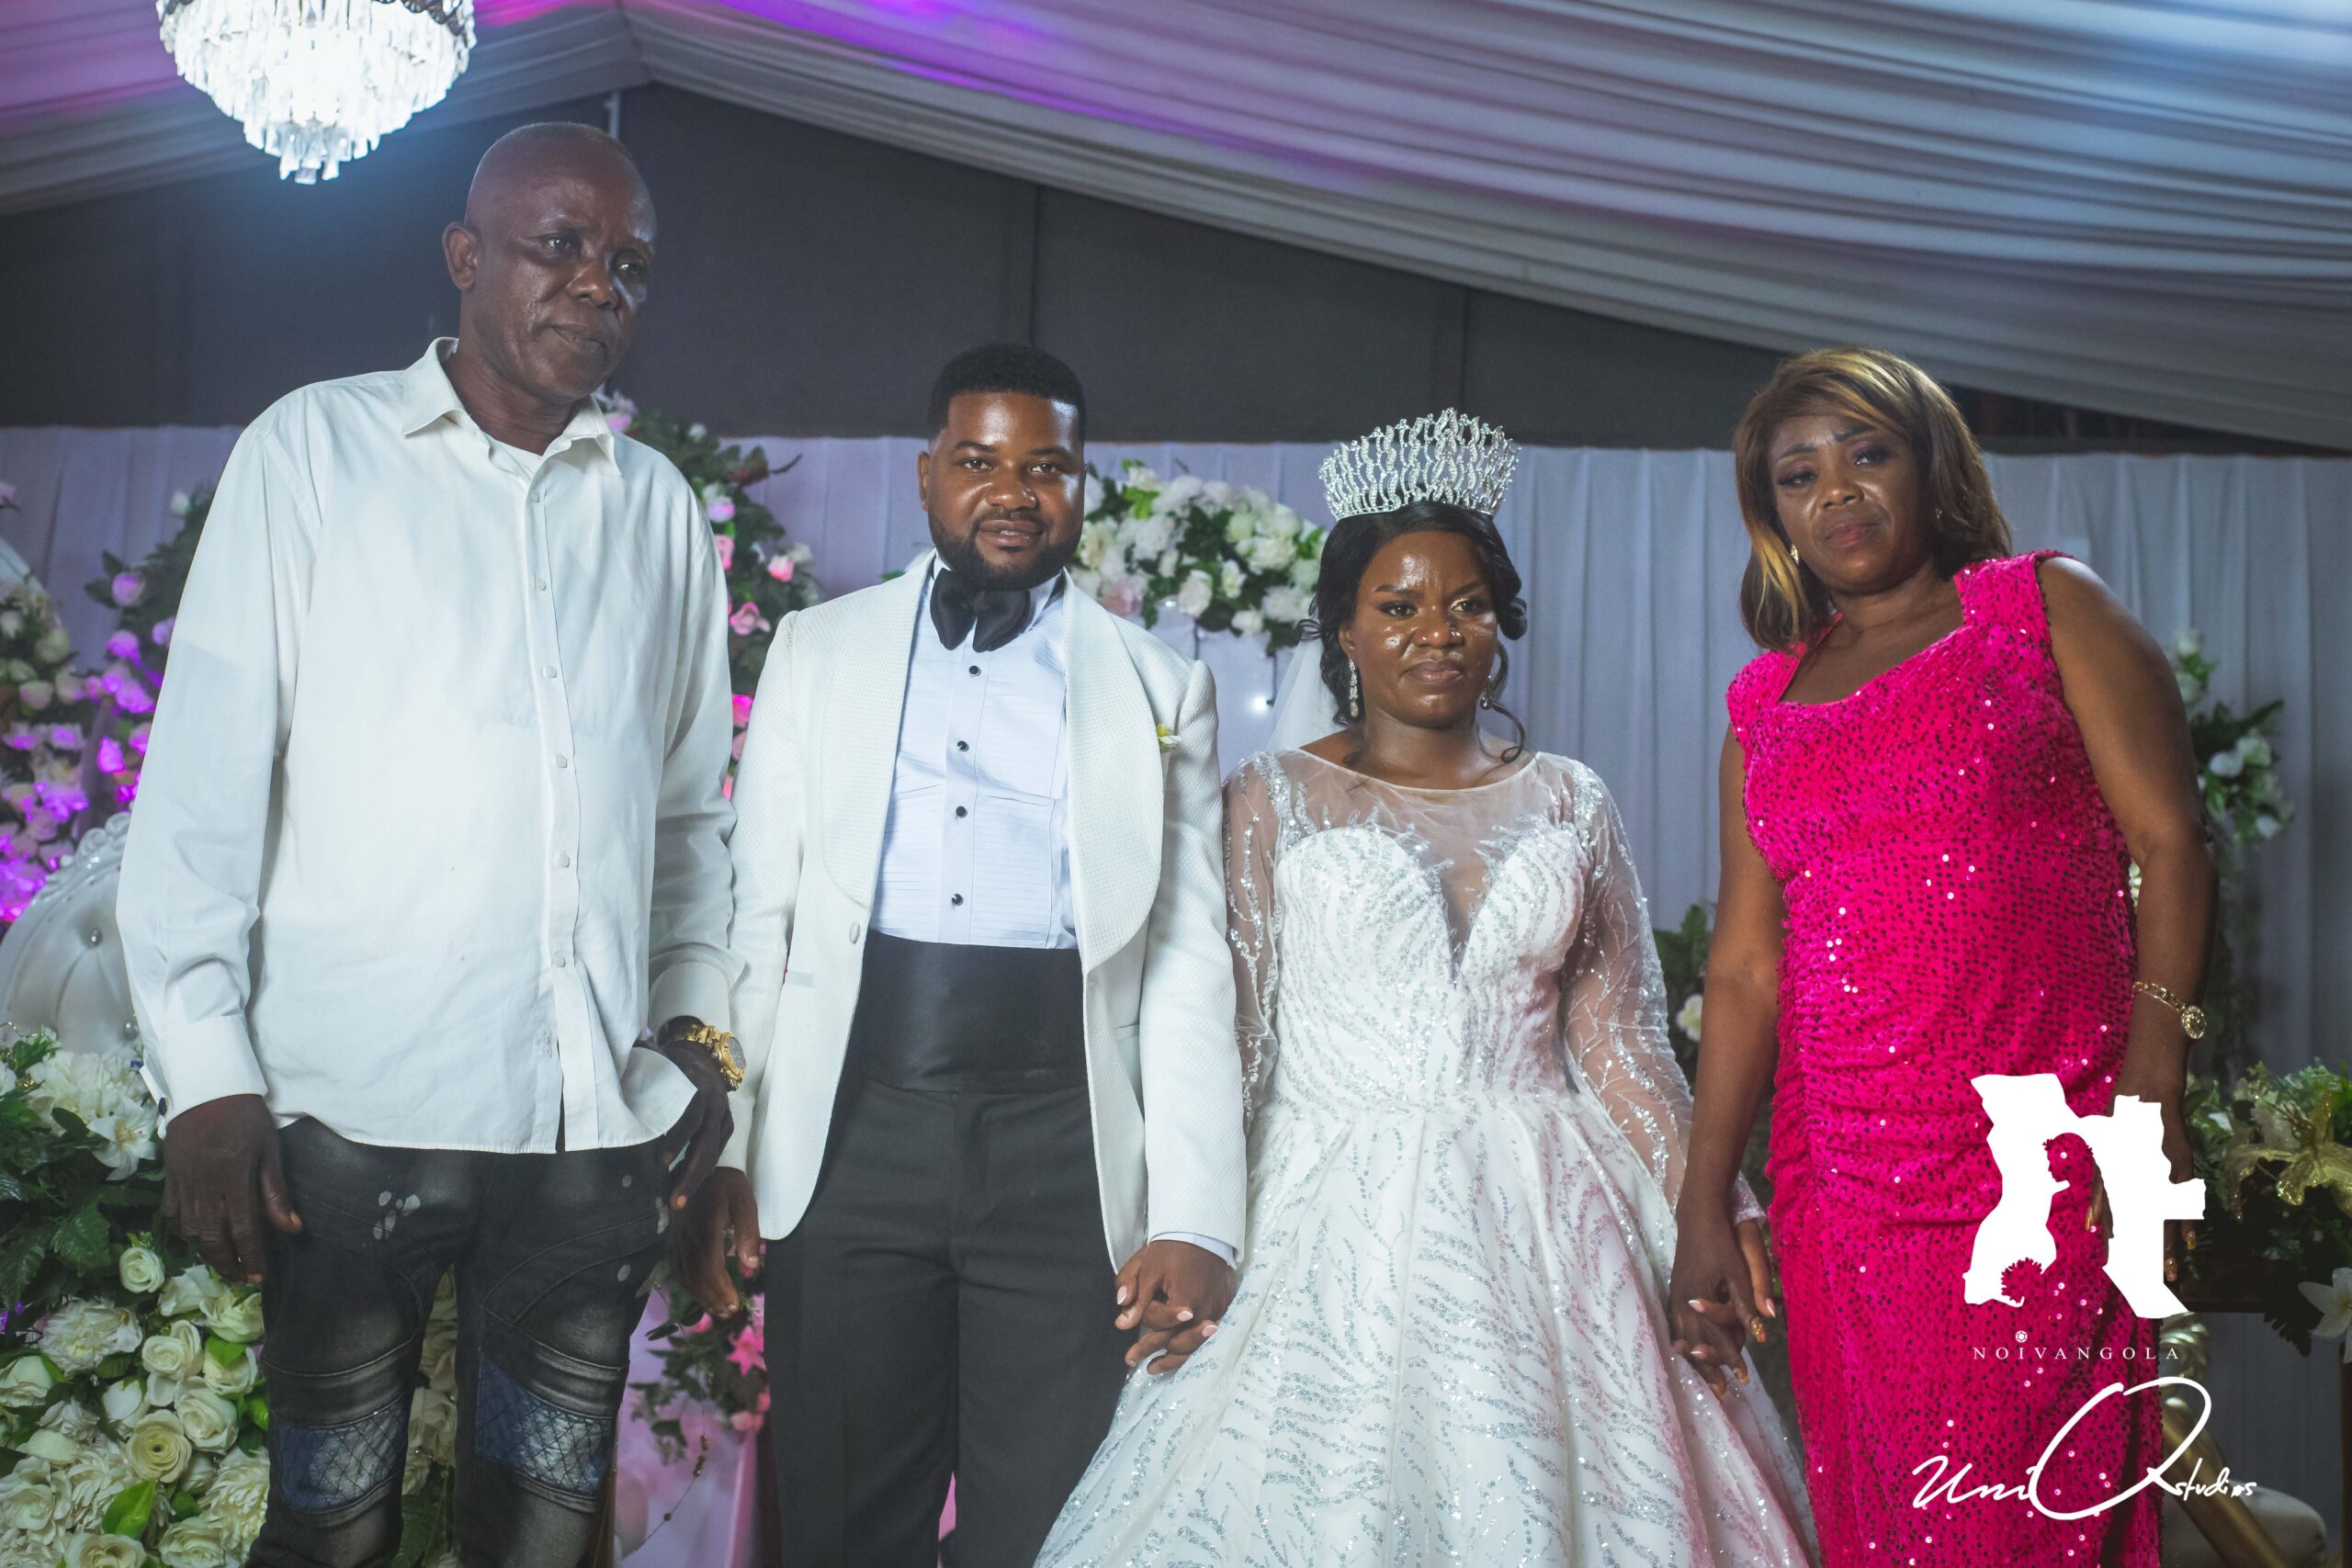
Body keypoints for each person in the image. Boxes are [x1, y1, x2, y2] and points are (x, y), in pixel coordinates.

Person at [115, 123, 743, 1566]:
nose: (598, 284)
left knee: (544, 1531)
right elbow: (203, 783)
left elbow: (685, 821)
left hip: (589, 1129)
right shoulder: (313, 451)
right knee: (331, 1523)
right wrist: (208, 1075)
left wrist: (697, 1034)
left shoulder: (654, 507)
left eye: (629, 264)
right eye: (560, 246)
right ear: (465, 257)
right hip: (350, 1117)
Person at [1038, 410, 1817, 1566]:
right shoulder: (1267, 796)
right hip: (1327, 1208)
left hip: (1550, 1215)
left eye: (1466, 604)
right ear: (1344, 630)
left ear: (1501, 623)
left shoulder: (1571, 798)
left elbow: (1619, 1046)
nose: (1436, 632)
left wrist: (1712, 1208)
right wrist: (1184, 1223)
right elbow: (1233, 1036)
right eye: (1398, 607)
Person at [671, 344, 1246, 1567]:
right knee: (841, 1522)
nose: (1013, 491)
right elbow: (759, 918)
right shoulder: (816, 649)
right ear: (929, 475)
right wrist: (725, 1143)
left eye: (1047, 467)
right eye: (979, 461)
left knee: (1046, 1527)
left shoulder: (1163, 684)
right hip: (854, 1132)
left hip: (1064, 1154)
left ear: (1082, 486)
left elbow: (1190, 961)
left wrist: (1198, 1214)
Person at [1668, 347, 2216, 1567]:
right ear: (1773, 515)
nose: (1837, 490)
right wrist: (1705, 1200)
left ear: (1930, 465)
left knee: (2031, 1511)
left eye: (1867, 453)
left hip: (2039, 1153)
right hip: (1845, 1183)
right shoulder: (1763, 706)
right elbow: (1746, 969)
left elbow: (2173, 844)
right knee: (1892, 1524)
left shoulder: (2042, 608)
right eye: (1798, 474)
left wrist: (2152, 1088)